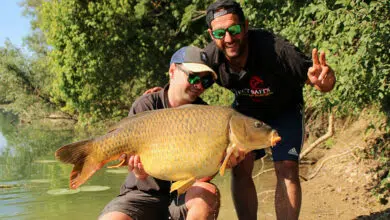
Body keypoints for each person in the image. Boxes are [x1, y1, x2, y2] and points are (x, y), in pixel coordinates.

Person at [204, 0, 336, 219]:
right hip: (247, 113)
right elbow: (185, 83)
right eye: (220, 33)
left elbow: (319, 79)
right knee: (240, 165)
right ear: (212, 35)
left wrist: (325, 82)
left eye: (234, 30)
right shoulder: (212, 58)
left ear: (245, 26)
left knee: (287, 167)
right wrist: (163, 92)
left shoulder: (277, 50)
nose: (228, 39)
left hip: (285, 109)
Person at [99, 46, 221, 220]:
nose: (199, 85)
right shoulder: (146, 105)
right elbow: (128, 158)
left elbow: (204, 175)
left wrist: (220, 162)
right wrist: (138, 171)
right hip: (143, 194)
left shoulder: (208, 115)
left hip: (184, 195)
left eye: (206, 81)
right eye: (193, 77)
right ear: (172, 71)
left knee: (207, 194)